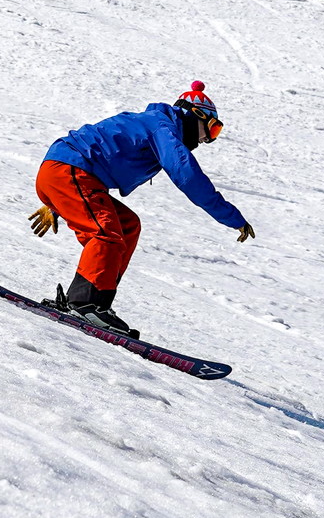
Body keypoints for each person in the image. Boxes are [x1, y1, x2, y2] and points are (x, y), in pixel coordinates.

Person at [27, 81, 255, 338]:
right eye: (212, 129)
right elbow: (187, 176)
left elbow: (100, 152)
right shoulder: (162, 127)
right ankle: (84, 303)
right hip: (68, 171)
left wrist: (56, 204)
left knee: (127, 226)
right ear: (195, 115)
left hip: (69, 174)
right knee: (106, 232)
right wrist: (231, 216)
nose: (207, 139)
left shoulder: (157, 124)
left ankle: (97, 303)